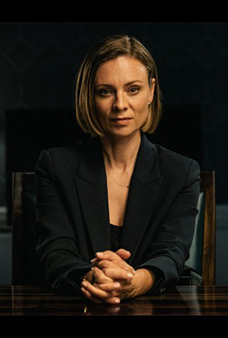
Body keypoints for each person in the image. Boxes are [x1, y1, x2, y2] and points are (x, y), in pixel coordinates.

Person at [33, 34, 200, 304]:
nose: (120, 104)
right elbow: (56, 253)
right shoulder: (55, 166)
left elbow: (171, 253)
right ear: (90, 97)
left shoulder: (181, 172)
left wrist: (132, 284)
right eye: (106, 91)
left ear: (151, 91)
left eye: (133, 89)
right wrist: (91, 278)